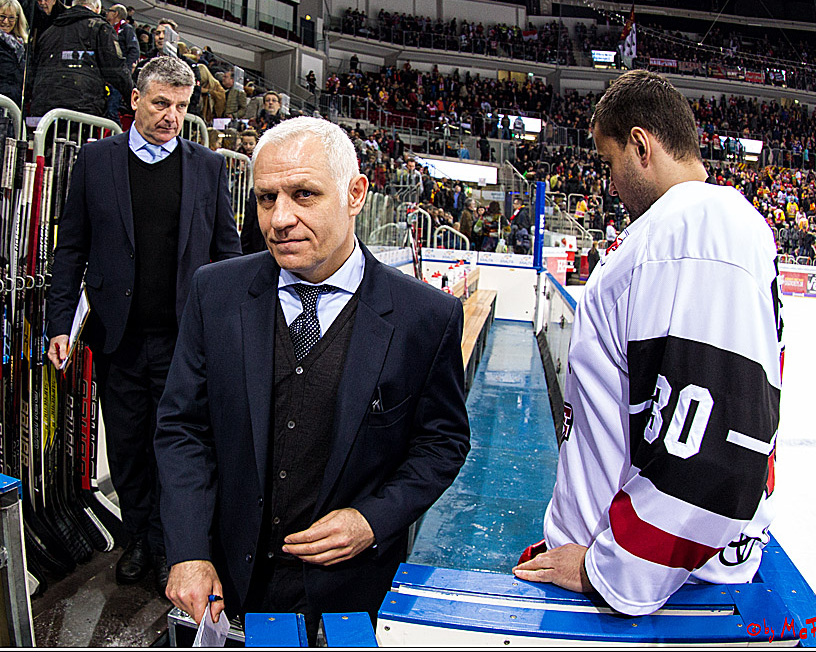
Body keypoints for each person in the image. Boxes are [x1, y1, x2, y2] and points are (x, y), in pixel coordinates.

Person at [155, 116, 470, 641]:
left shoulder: (425, 317)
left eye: (303, 194)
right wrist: (188, 550)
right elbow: (182, 428)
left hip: (355, 590)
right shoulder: (216, 294)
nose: (280, 218)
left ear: (356, 194)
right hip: (230, 584)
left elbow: (442, 442)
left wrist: (372, 519)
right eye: (265, 198)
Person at [513, 69, 783, 616]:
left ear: (641, 145)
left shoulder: (698, 227)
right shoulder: (686, 229)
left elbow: (710, 453)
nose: (609, 185)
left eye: (609, 162)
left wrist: (606, 570)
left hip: (642, 594)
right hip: (635, 573)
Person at [46, 55, 242, 596]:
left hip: (186, 340)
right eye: (161, 103)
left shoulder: (207, 167)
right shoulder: (95, 160)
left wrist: (232, 331)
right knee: (129, 447)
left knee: (176, 448)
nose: (172, 116)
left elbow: (227, 254)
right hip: (119, 339)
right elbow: (72, 250)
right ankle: (137, 539)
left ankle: (169, 547)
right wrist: (59, 323)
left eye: (181, 106)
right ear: (134, 100)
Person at [28, 0, 132, 119]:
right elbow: (117, 70)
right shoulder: (100, 28)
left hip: (44, 107)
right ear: (97, 8)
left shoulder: (48, 32)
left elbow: (34, 68)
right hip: (82, 108)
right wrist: (133, 99)